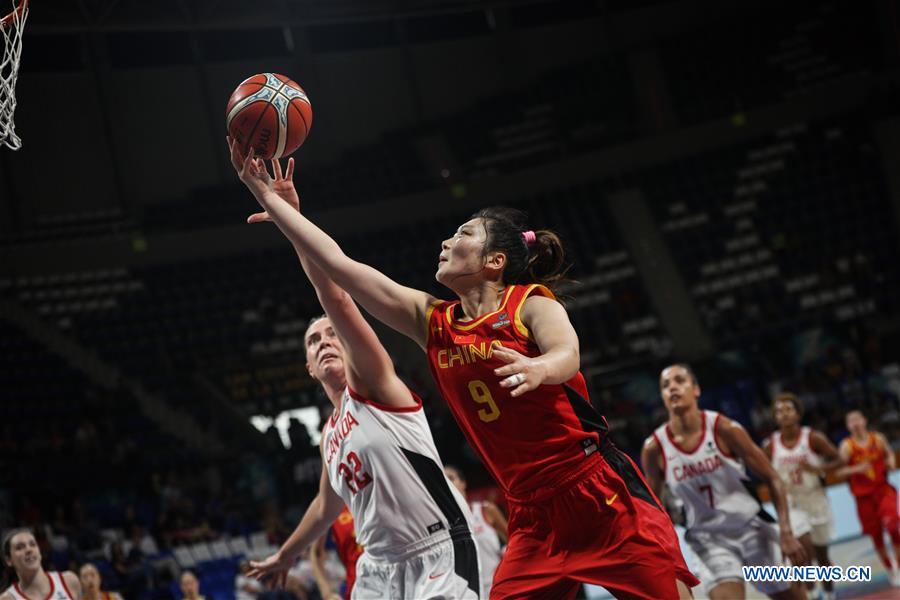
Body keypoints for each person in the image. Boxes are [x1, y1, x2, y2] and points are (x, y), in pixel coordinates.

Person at [230, 139, 699, 599]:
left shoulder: (529, 303)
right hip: (531, 517)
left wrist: (541, 369)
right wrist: (276, 204)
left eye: (463, 235)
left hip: (596, 493)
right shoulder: (433, 321)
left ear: (494, 262)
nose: (447, 241)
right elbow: (338, 266)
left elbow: (567, 353)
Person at [234, 147, 481, 599]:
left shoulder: (372, 384)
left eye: (331, 335)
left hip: (437, 551)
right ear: (308, 368)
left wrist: (289, 219)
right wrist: (287, 555)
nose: (325, 340)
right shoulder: (331, 434)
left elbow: (339, 298)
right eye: (314, 341)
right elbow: (326, 506)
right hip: (378, 569)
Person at [641, 364, 808, 600]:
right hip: (707, 539)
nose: (672, 388)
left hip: (751, 528)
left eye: (680, 381)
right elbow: (654, 508)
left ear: (696, 389)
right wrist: (663, 553)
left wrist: (787, 532)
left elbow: (772, 477)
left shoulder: (725, 429)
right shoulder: (654, 448)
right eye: (665, 386)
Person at [762, 393, 842, 600]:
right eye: (779, 411)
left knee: (821, 556)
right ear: (774, 417)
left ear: (798, 413)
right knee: (802, 552)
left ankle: (829, 591)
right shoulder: (770, 445)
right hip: (791, 504)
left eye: (788, 409)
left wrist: (818, 469)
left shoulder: (813, 437)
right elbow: (762, 473)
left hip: (816, 500)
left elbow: (838, 459)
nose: (784, 414)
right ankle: (811, 591)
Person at [837, 409, 900, 585]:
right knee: (876, 535)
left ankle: (899, 566)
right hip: (863, 496)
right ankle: (890, 569)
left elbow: (889, 454)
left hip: (883, 489)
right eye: (851, 421)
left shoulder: (877, 439)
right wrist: (855, 469)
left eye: (858, 419)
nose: (855, 423)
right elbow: (839, 471)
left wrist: (891, 462)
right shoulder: (846, 446)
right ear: (848, 426)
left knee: (893, 525)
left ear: (864, 420)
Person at [445, 466, 508, 597]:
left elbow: (514, 542)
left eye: (451, 478)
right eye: (444, 480)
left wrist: (506, 555)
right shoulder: (444, 525)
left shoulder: (486, 510)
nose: (448, 483)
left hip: (499, 590)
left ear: (463, 483)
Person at [1, 528, 81, 600]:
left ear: (39, 552)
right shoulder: (8, 598)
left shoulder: (69, 581)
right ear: (9, 560)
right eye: (19, 547)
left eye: (32, 544)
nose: (29, 549)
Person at [310, 507, 362, 600]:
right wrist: (327, 592)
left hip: (392, 584)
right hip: (356, 589)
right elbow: (316, 553)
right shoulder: (331, 500)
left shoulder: (384, 495)